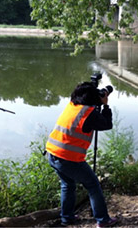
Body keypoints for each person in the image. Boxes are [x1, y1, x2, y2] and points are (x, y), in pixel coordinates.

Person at [45, 82, 117, 227]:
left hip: (52, 153)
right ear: (93, 98)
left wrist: (96, 99)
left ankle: (67, 218)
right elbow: (107, 124)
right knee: (93, 185)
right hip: (68, 158)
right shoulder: (88, 113)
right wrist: (105, 105)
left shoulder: (72, 105)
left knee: (67, 185)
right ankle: (103, 220)